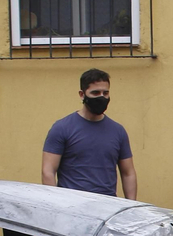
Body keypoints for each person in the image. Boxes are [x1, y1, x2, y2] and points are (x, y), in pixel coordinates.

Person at [41, 68, 137, 199]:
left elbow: (128, 173)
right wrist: (55, 207)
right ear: (82, 94)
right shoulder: (62, 128)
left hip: (108, 207)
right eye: (95, 93)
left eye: (105, 93)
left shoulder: (118, 131)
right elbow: (48, 171)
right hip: (72, 207)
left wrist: (130, 207)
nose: (101, 97)